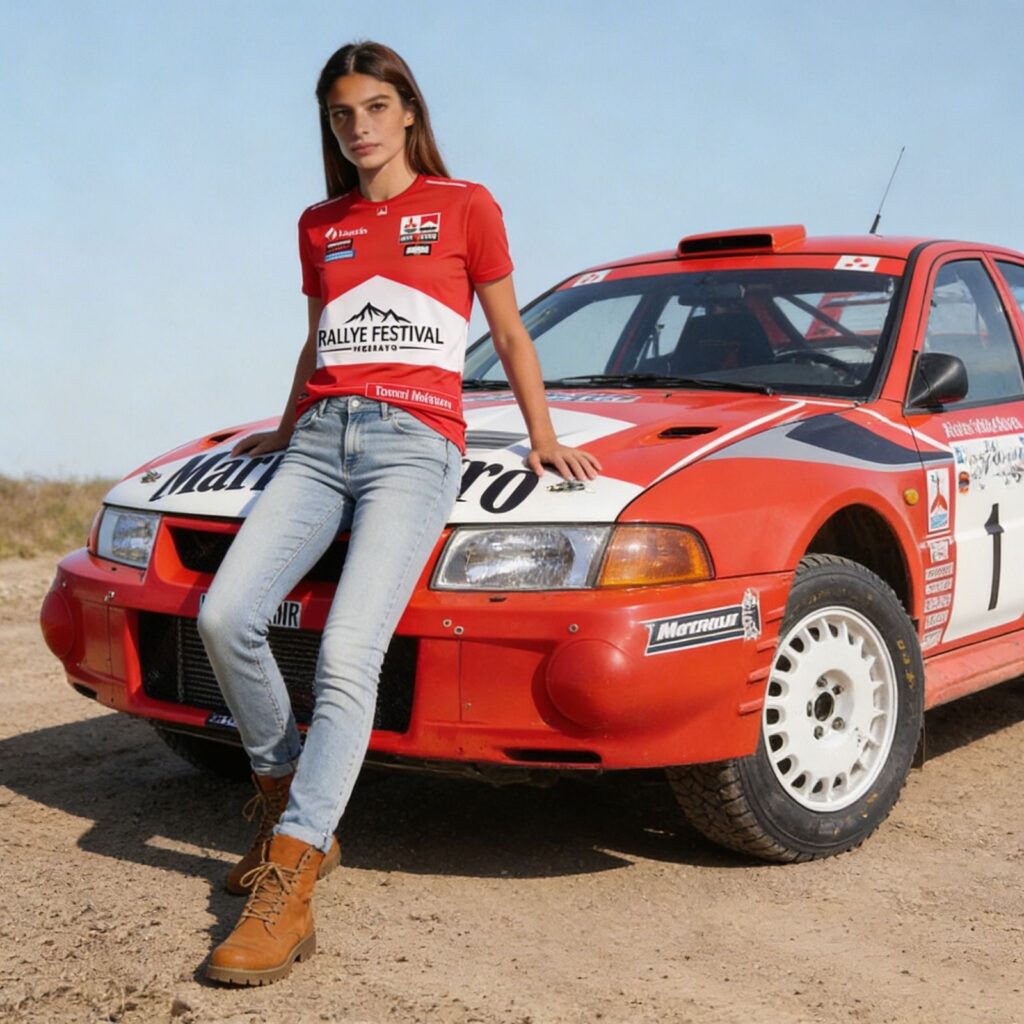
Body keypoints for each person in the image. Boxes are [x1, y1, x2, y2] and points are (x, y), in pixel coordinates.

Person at [196, 40, 601, 986]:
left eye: (376, 108)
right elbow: (319, 339)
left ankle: (292, 879)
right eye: (342, 114)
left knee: (347, 652)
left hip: (416, 446)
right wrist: (285, 426)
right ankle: (286, 803)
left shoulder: (465, 206)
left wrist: (541, 436)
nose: (359, 127)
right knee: (225, 616)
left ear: (409, 111)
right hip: (317, 440)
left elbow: (508, 331)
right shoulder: (320, 224)